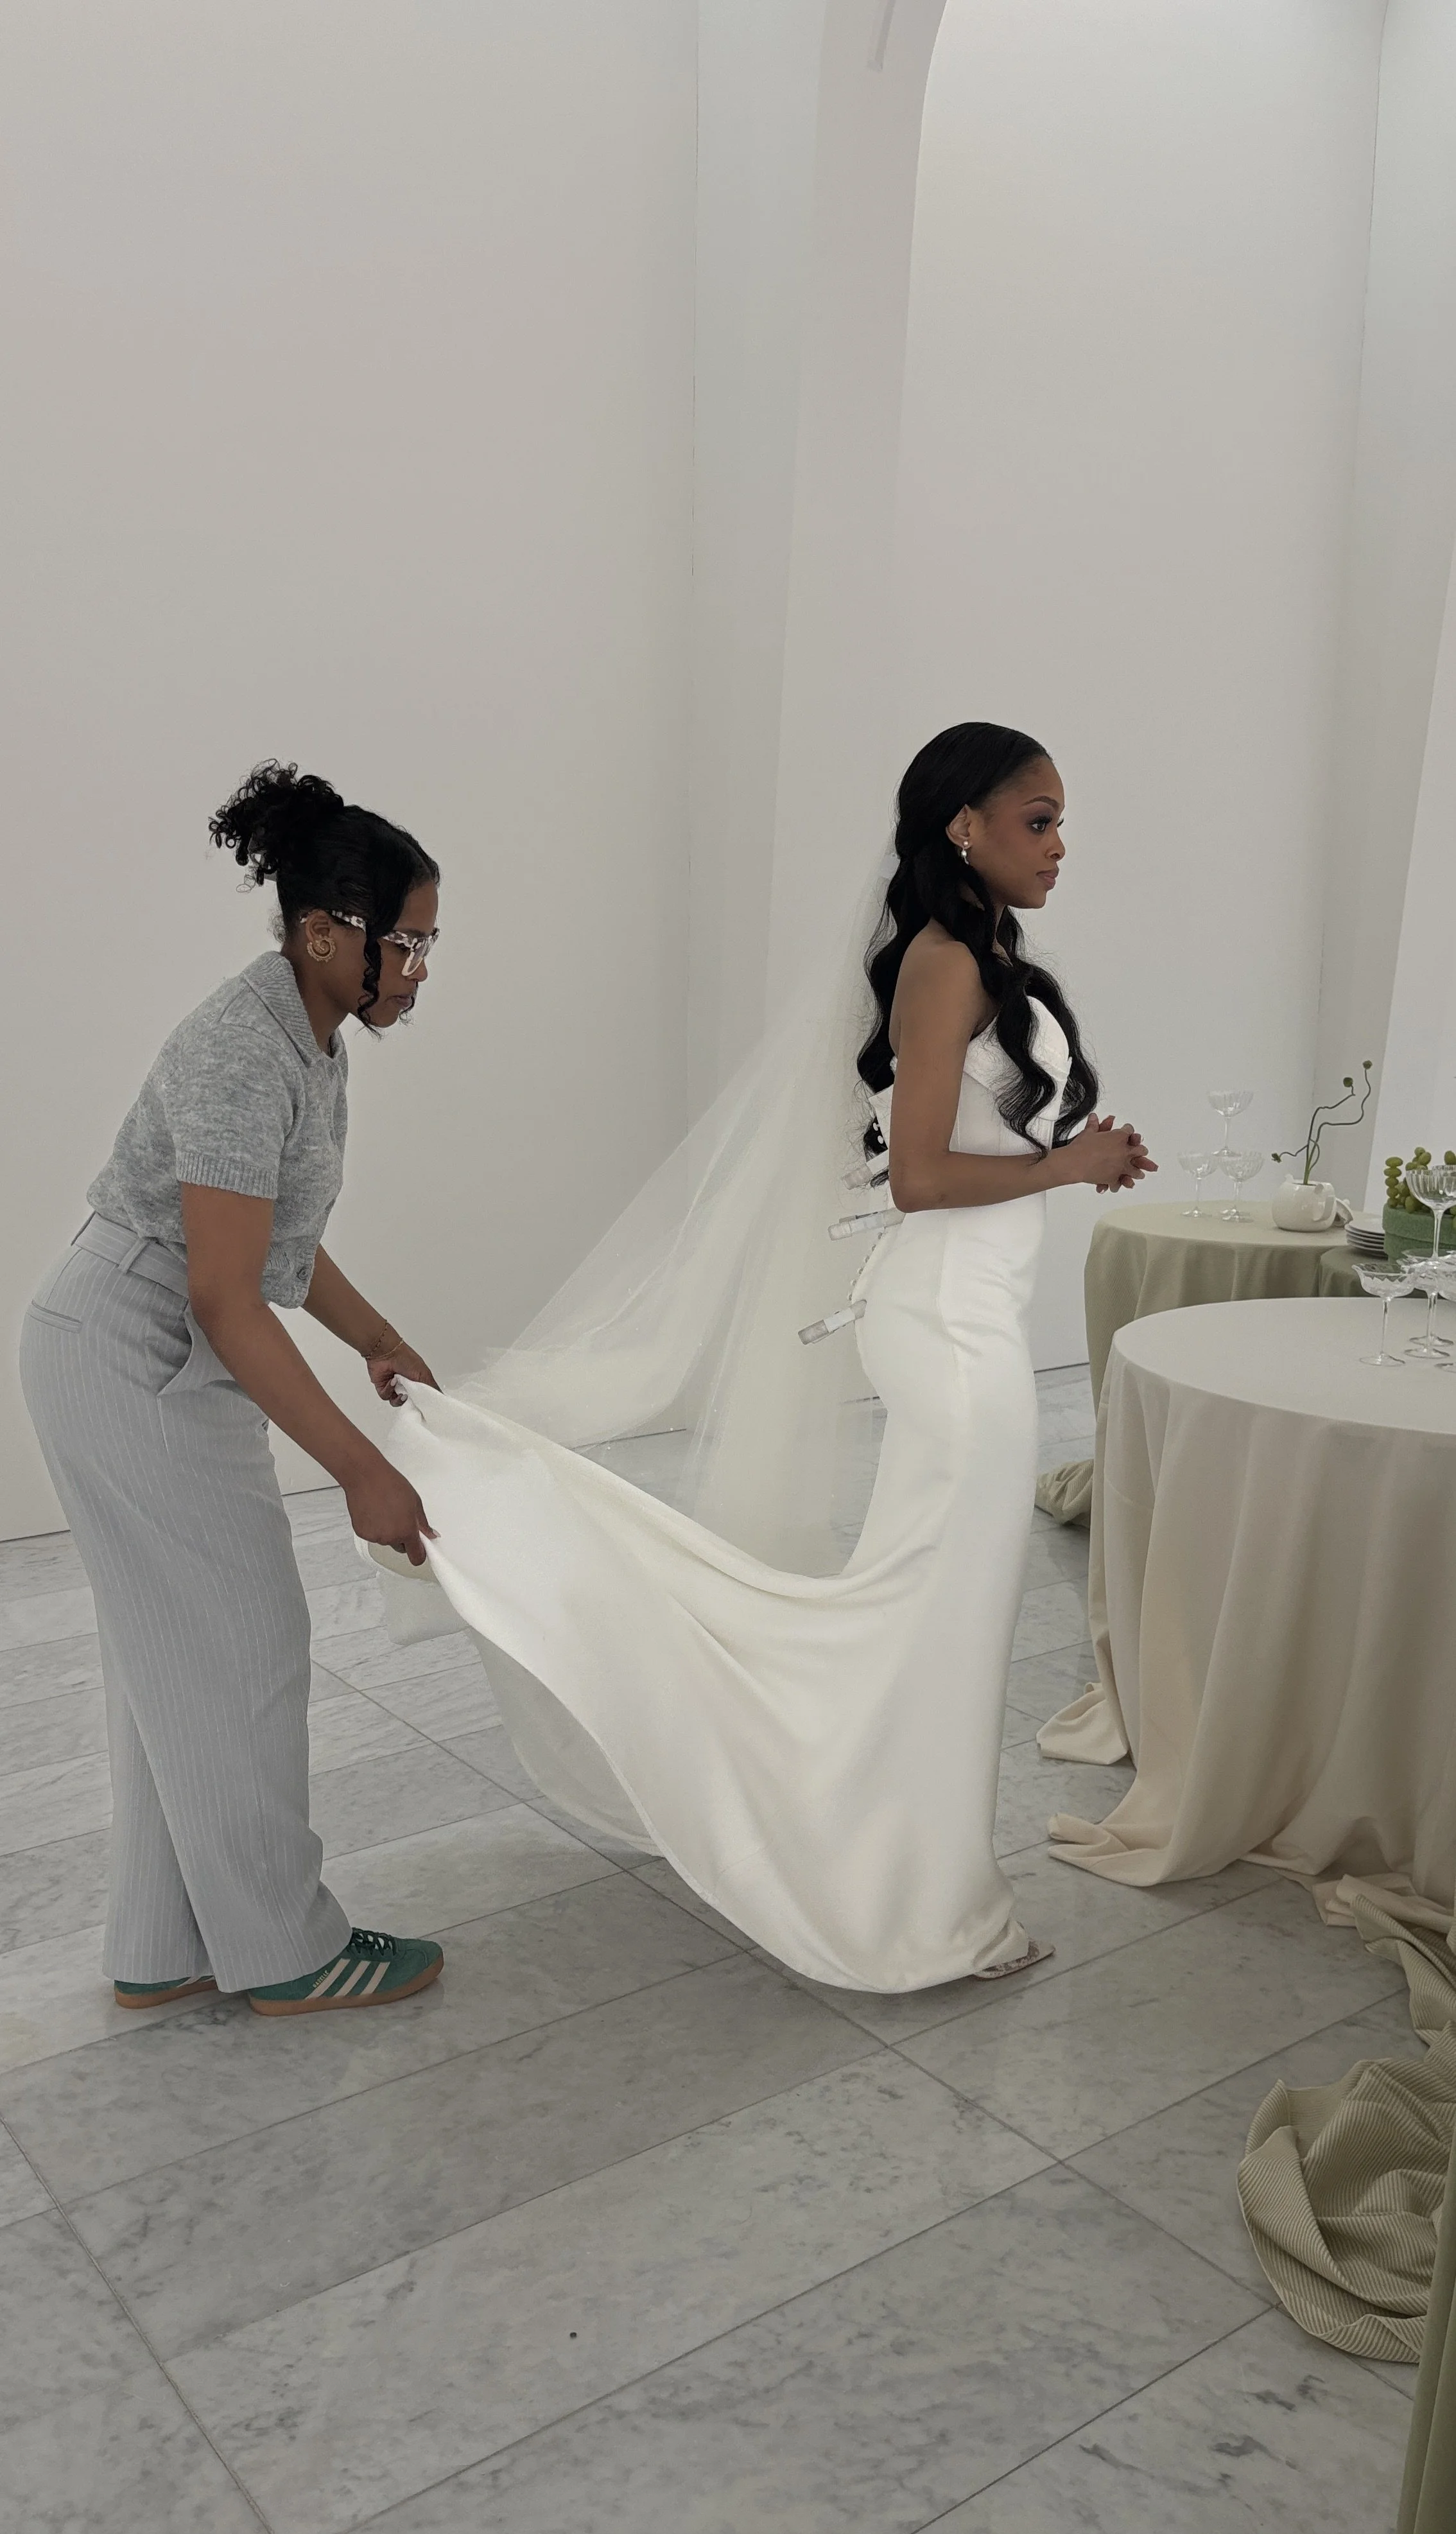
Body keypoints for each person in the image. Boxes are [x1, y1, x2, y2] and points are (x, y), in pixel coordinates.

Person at [375, 722, 1156, 1994]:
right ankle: (916, 1908)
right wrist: (1066, 1164)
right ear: (965, 823)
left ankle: (918, 1887)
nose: (1062, 846)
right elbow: (913, 1175)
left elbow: (955, 1142)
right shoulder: (947, 963)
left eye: (1064, 821)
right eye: (1039, 820)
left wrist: (1067, 1151)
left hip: (965, 1318)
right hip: (953, 1335)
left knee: (933, 1626)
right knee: (939, 1629)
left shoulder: (982, 958)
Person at [19, 762, 448, 2017]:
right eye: (407, 942)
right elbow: (222, 1294)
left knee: (175, 1655)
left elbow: (276, 1246)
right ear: (327, 932)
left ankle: (164, 1944)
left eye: (430, 943)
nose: (420, 969)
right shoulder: (236, 1050)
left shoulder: (313, 1038)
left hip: (153, 1344)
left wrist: (374, 1334)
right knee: (248, 1639)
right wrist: (361, 1469)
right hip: (131, 1353)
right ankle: (286, 1948)